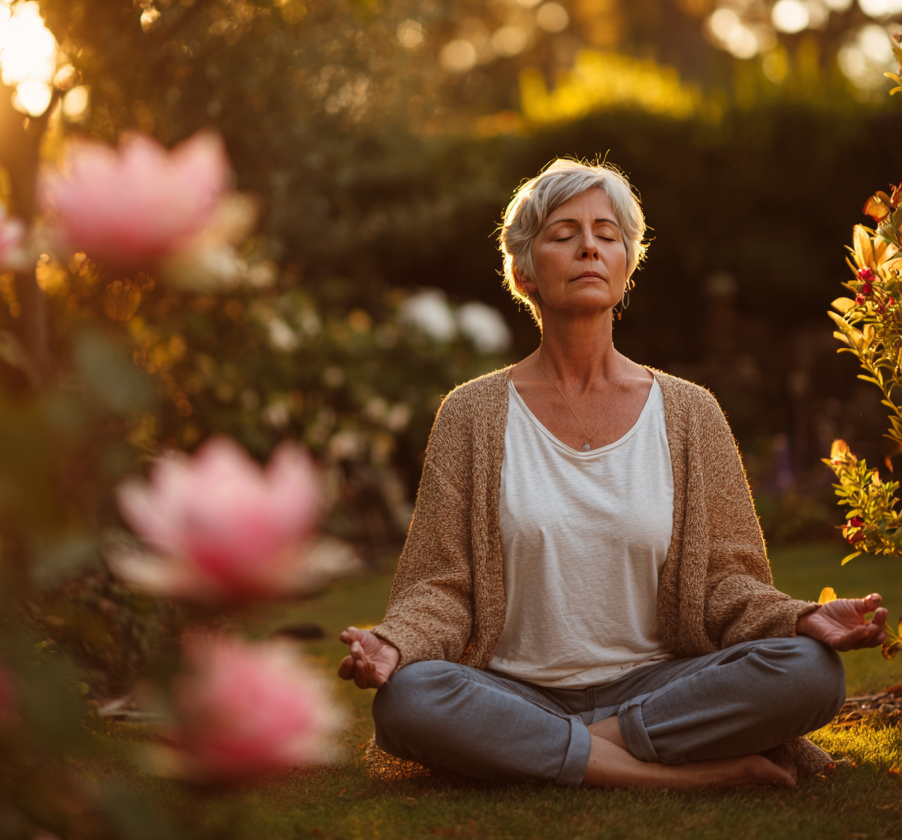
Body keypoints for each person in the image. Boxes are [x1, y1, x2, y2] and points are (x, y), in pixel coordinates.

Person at [337, 158, 887, 789]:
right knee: (410, 697)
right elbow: (443, 585)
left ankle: (570, 752)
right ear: (524, 272)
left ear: (627, 268)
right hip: (517, 689)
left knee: (810, 672)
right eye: (563, 233)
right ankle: (679, 775)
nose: (589, 246)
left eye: (607, 233)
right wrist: (398, 642)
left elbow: (724, 585)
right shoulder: (471, 414)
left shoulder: (690, 413)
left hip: (659, 688)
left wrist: (798, 620)